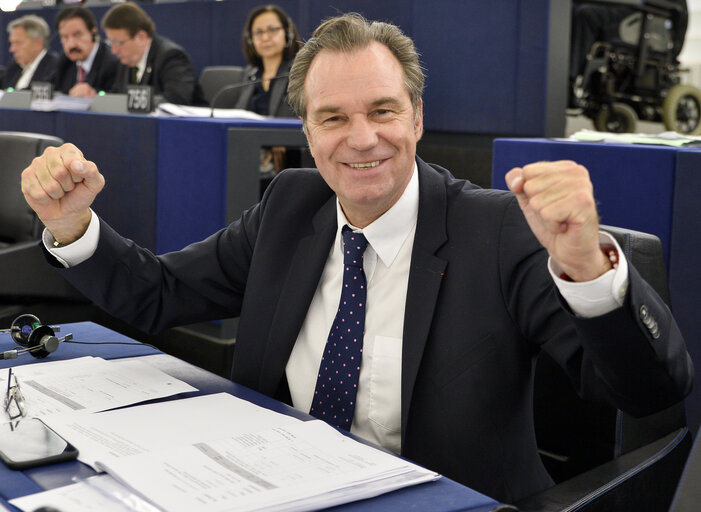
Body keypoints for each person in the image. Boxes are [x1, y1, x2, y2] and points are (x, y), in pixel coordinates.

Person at [21, 13, 692, 505]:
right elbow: (157, 294)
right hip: (271, 484)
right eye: (334, 118)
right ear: (306, 132)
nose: (362, 139)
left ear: (418, 117)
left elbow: (648, 394)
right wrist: (73, 224)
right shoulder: (289, 206)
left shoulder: (495, 231)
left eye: (382, 111)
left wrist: (587, 270)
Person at [234, 5, 302, 176]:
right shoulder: (250, 74)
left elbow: (304, 112)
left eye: (272, 30)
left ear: (288, 32)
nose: (265, 37)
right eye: (258, 32)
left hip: (288, 157)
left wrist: (278, 138)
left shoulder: (300, 70)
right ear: (250, 39)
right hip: (250, 152)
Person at [101, 1, 206, 106]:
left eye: (119, 43)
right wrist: (98, 97)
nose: (114, 51)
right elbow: (117, 96)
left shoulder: (171, 57)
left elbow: (176, 100)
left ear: (141, 37)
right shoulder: (127, 60)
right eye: (111, 43)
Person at [53, 6, 120, 98]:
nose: (71, 44)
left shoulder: (112, 62)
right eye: (65, 37)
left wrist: (96, 94)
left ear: (93, 33)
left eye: (77, 35)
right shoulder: (64, 61)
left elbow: (116, 97)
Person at [1, 15, 58, 90]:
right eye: (12, 43)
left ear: (38, 43)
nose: (12, 49)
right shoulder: (14, 68)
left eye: (18, 43)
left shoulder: (54, 68)